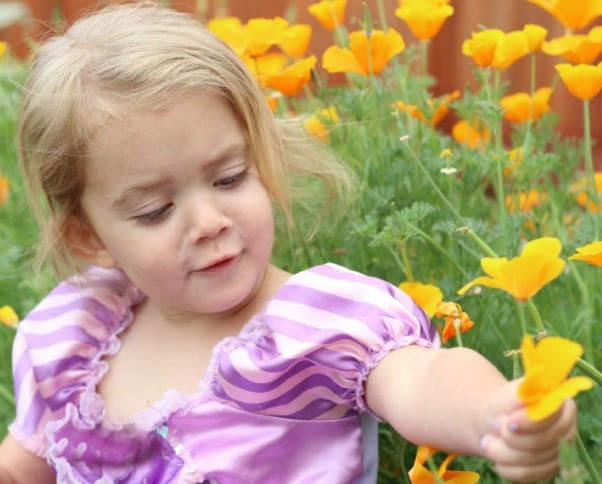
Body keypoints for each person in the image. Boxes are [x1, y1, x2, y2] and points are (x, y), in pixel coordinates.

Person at [0, 2, 577, 483]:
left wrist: (493, 413)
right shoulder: (72, 340)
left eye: (229, 178)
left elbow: (423, 380)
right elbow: (27, 466)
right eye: (155, 210)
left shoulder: (314, 325)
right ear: (88, 234)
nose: (209, 220)